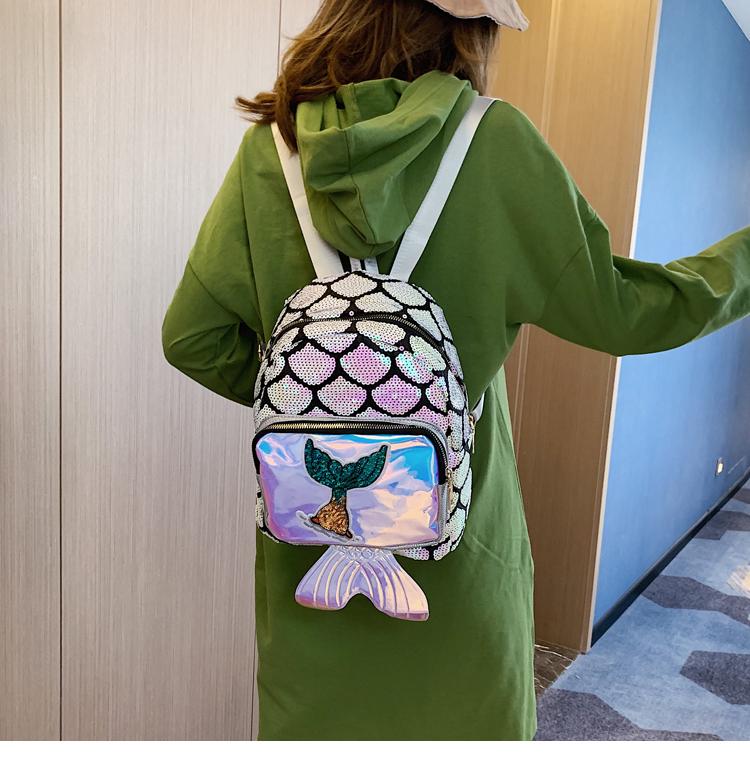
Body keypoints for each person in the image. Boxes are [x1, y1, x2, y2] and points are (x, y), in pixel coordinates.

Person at [161, 0, 750, 740]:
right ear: (469, 29)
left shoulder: (269, 152)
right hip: (458, 564)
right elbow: (631, 313)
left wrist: (317, 400)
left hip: (311, 567)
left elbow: (193, 337)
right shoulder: (494, 143)